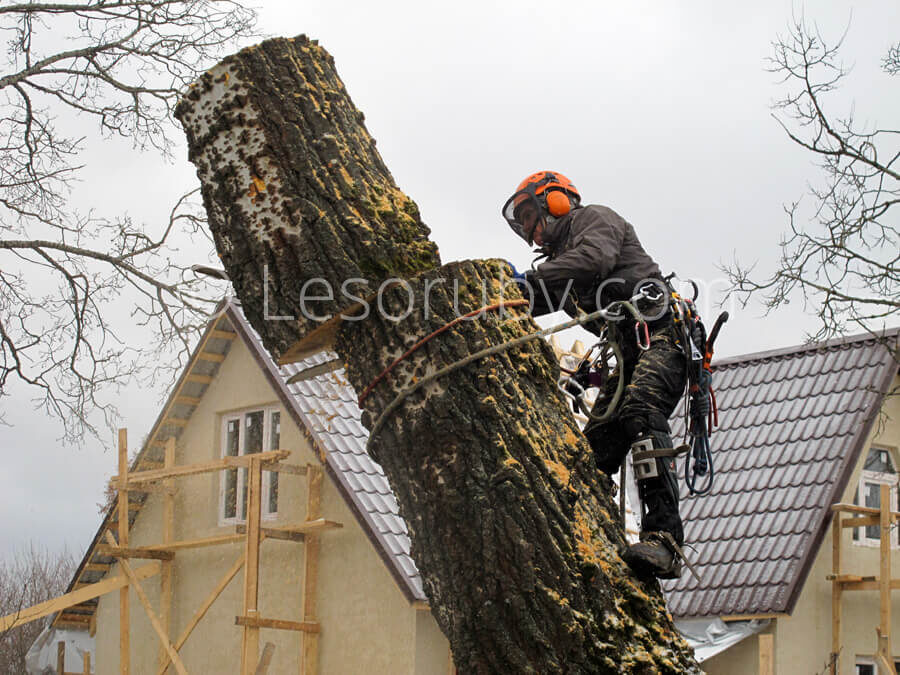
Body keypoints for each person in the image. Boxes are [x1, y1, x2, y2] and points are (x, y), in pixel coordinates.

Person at [502, 170, 688, 579]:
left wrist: (528, 281)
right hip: (627, 355)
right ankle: (578, 536)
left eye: (532, 216)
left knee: (641, 410)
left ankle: (665, 541)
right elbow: (537, 298)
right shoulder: (559, 267)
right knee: (591, 456)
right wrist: (500, 295)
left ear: (556, 200)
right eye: (524, 225)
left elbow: (594, 259)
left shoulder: (594, 222)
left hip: (662, 335)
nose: (532, 232)